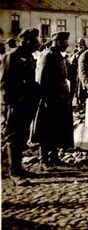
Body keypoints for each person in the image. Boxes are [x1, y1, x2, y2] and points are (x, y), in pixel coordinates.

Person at [1, 28, 40, 185]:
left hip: (26, 104)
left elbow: (30, 81)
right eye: (35, 41)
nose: (38, 44)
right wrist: (12, 103)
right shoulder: (12, 56)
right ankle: (14, 172)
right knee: (12, 137)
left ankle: (12, 167)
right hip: (14, 105)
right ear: (27, 41)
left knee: (22, 136)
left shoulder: (28, 56)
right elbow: (4, 84)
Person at [33, 31, 74, 171]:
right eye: (64, 42)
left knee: (56, 128)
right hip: (49, 99)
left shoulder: (58, 56)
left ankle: (54, 157)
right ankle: (43, 160)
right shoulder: (47, 56)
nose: (66, 45)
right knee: (46, 129)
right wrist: (44, 98)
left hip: (59, 98)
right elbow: (41, 79)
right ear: (56, 41)